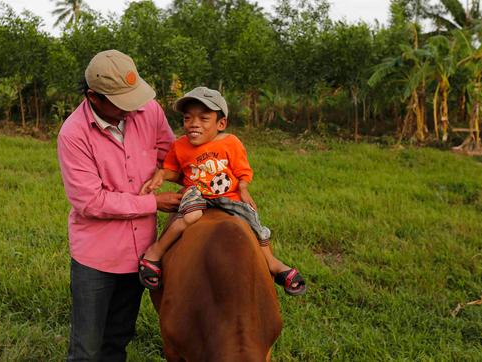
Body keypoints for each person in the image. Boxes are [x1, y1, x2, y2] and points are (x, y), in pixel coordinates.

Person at [57, 49, 182, 362]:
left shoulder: (148, 111)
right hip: (96, 259)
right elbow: (90, 201)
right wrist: (153, 202)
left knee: (117, 340)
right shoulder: (73, 134)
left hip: (140, 251)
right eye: (122, 101)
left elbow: (171, 158)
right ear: (93, 97)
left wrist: (216, 164)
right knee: (86, 349)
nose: (133, 107)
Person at [137, 86, 307, 296]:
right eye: (188, 118)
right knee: (190, 216)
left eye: (203, 118)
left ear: (221, 123)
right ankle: (156, 251)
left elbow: (242, 170)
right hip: (197, 191)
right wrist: (161, 175)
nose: (193, 124)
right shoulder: (180, 145)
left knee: (253, 224)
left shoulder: (231, 143)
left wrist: (243, 189)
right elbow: (173, 169)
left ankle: (272, 263)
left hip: (228, 195)